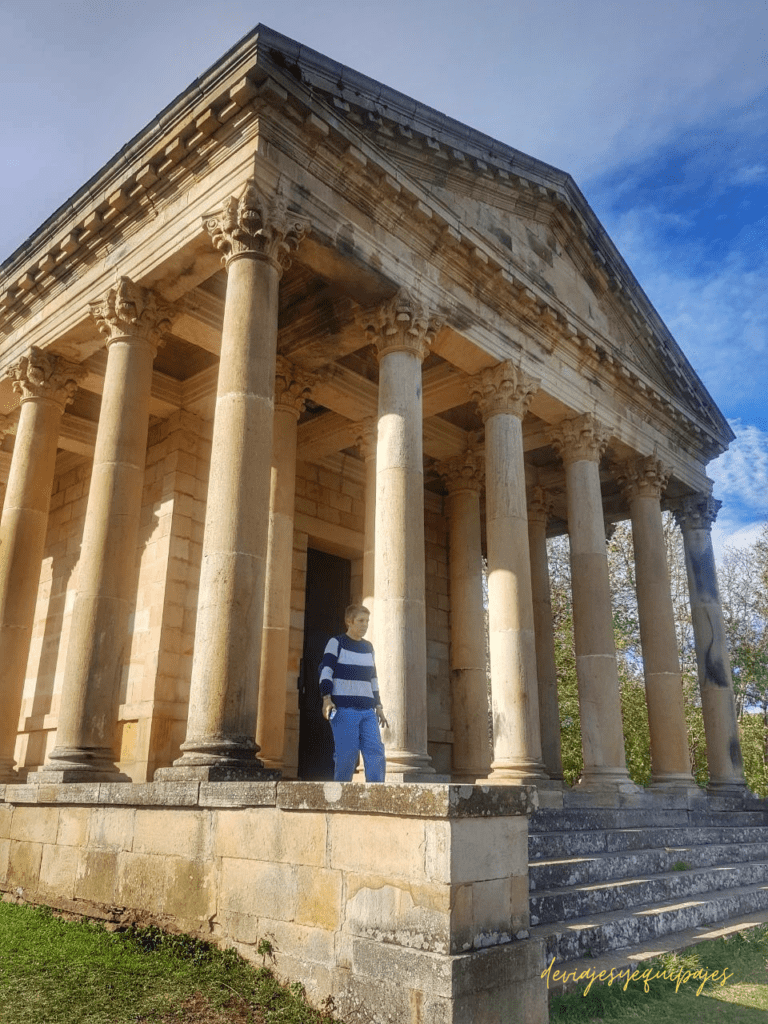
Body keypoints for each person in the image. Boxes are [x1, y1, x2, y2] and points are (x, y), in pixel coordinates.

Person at [319, 604, 388, 782]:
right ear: (349, 621)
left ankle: (376, 796)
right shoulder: (336, 643)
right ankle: (340, 797)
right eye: (361, 621)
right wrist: (326, 699)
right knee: (347, 754)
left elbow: (373, 678)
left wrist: (378, 706)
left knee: (376, 753)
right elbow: (326, 670)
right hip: (343, 710)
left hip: (367, 712)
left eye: (367, 621)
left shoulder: (368, 647)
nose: (365, 625)